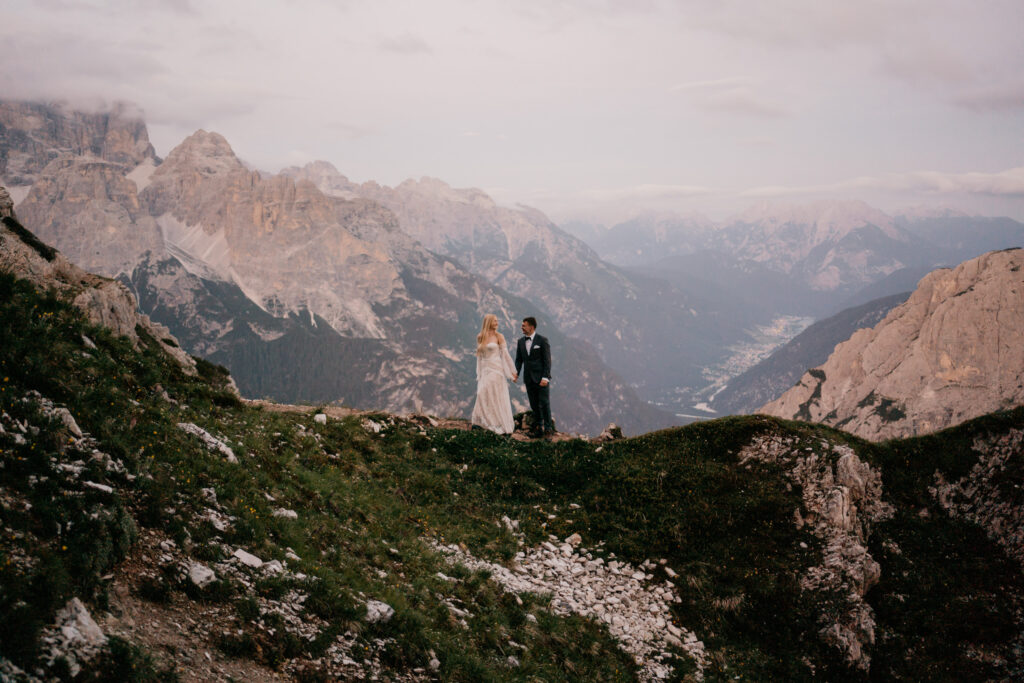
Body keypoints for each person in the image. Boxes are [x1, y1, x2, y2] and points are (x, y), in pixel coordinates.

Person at [470, 314, 517, 434]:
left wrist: (512, 371)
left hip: (496, 369)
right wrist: (479, 372)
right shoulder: (480, 336)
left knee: (492, 395)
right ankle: (482, 422)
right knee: (483, 394)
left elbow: (505, 355)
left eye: (497, 321)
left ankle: (498, 423)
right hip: (485, 369)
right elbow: (479, 357)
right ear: (489, 322)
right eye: (495, 321)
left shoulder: (499, 336)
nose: (497, 323)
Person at [515, 317, 553, 437]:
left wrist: (545, 377)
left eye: (524, 325)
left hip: (541, 379)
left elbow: (547, 360)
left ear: (531, 327)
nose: (522, 327)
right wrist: (516, 373)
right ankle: (538, 429)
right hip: (528, 379)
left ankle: (548, 430)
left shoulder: (542, 340)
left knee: (545, 403)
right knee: (534, 404)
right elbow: (519, 360)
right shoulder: (520, 342)